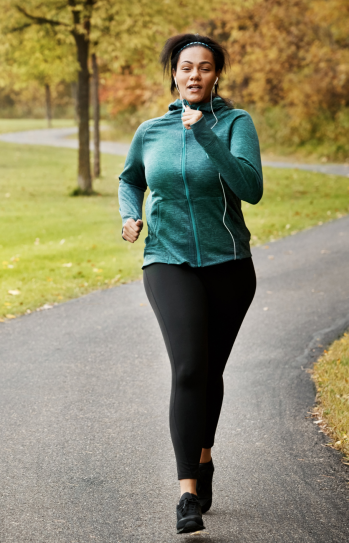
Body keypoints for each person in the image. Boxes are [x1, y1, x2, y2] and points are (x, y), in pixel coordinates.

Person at [118, 33, 262, 534]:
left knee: (211, 370)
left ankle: (204, 459)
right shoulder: (151, 129)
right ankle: (187, 495)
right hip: (167, 259)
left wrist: (203, 134)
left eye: (204, 67)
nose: (194, 75)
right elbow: (130, 177)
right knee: (189, 367)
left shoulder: (236, 124)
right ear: (173, 75)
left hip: (228, 265)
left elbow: (252, 188)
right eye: (185, 68)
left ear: (216, 74)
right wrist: (129, 216)